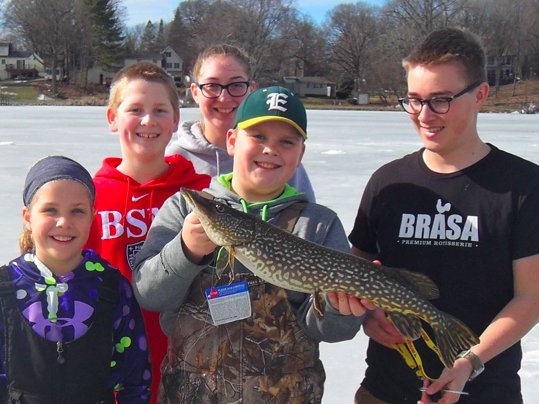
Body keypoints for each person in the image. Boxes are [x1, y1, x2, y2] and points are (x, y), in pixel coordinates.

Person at [133, 86, 367, 403]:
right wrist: (185, 250)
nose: (270, 149)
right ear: (232, 141)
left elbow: (332, 331)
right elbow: (149, 294)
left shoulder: (318, 225)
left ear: (300, 155)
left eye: (286, 142)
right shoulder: (183, 211)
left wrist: (341, 310)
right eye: (257, 136)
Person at [349, 27, 539, 404]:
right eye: (414, 100)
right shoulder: (388, 182)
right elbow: (357, 274)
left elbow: (530, 297)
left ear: (480, 95)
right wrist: (367, 318)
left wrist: (471, 360)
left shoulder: (522, 186)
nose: (424, 115)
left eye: (440, 100)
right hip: (385, 391)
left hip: (486, 392)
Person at [85, 62, 211, 402]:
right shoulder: (88, 197)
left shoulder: (204, 194)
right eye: (135, 109)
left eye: (159, 110)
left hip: (192, 362)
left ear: (174, 121)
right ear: (112, 118)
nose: (148, 121)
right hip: (113, 365)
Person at [0, 155, 151, 403]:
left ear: (92, 216)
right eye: (50, 210)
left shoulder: (111, 287)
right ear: (28, 218)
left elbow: (135, 382)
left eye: (77, 211)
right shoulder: (5, 288)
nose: (64, 222)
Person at [165, 44, 316, 202]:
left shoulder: (277, 161)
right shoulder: (174, 160)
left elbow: (308, 220)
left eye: (236, 85)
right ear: (195, 93)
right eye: (212, 86)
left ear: (251, 89)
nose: (224, 98)